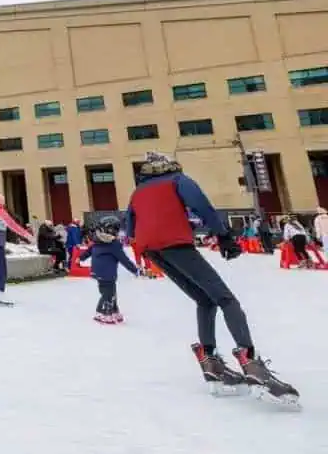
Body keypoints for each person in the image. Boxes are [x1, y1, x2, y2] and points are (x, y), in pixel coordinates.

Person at [126, 151, 298, 402]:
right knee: (227, 300)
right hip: (175, 244)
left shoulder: (137, 192)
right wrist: (222, 234)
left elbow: (129, 225)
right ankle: (251, 363)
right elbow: (201, 204)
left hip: (152, 250)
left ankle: (210, 361)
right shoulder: (178, 180)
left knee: (205, 300)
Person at [79, 216, 139, 324]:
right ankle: (101, 313)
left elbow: (88, 251)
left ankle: (113, 311)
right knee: (107, 294)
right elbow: (124, 259)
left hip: (98, 272)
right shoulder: (113, 244)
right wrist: (134, 270)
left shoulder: (97, 240)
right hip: (107, 273)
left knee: (111, 292)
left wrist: (80, 258)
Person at [0, 192, 34, 306]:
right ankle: (0, 293)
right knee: (2, 269)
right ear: (0, 202)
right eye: (3, 200)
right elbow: (14, 226)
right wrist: (28, 236)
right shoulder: (1, 213)